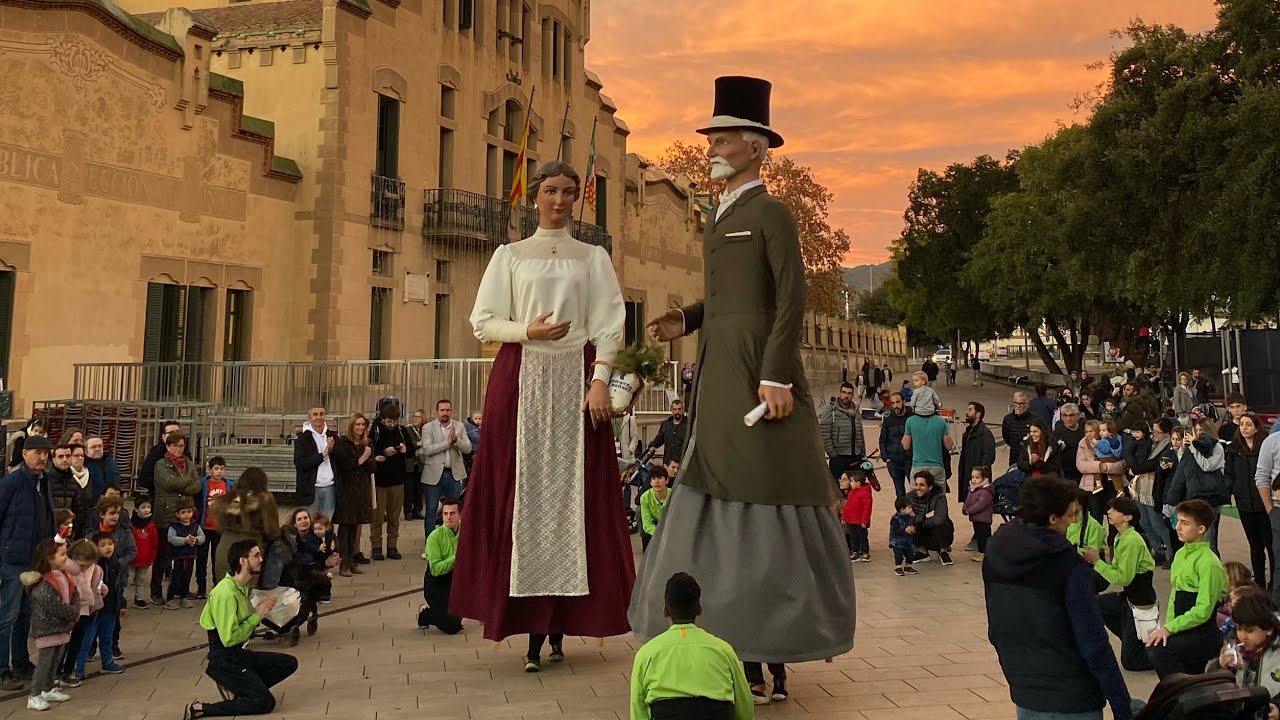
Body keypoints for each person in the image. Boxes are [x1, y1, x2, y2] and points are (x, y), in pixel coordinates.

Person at [630, 77, 854, 674]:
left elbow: (790, 297)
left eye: (724, 139)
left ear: (756, 148)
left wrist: (775, 374)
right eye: (712, 138)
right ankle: (722, 628)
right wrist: (687, 318)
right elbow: (729, 296)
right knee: (713, 468)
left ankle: (770, 638)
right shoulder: (718, 215)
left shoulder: (772, 212)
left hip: (755, 370)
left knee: (762, 476)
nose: (712, 148)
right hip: (717, 369)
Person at [454, 158, 635, 668]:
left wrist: (599, 381)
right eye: (552, 190)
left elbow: (610, 324)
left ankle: (564, 622)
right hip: (520, 377)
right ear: (535, 196)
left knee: (579, 496)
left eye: (569, 192)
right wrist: (526, 331)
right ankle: (528, 624)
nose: (560, 200)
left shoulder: (592, 257)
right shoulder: (510, 255)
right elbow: (483, 321)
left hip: (577, 378)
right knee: (518, 493)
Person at [984, 475, 1133, 720]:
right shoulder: (1067, 564)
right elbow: (1093, 642)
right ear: (1053, 518)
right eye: (1071, 514)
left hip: (1024, 688)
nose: (1074, 521)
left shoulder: (996, 551)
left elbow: (996, 624)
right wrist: (1122, 706)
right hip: (1072, 694)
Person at [184, 539, 299, 719]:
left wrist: (259, 610)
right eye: (256, 556)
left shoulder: (241, 587)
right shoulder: (226, 593)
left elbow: (240, 624)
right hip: (225, 661)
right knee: (265, 702)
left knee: (288, 663)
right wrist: (258, 615)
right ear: (243, 561)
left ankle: (245, 691)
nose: (261, 559)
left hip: (239, 654)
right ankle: (201, 709)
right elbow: (229, 638)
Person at [629, 573, 755, 720]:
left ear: (665, 611)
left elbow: (638, 709)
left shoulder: (646, 654)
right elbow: (744, 706)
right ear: (699, 609)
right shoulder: (723, 650)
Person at [1145, 499, 1228, 678]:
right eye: (1178, 521)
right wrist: (1168, 626)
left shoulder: (1209, 562)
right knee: (1163, 646)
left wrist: (1170, 628)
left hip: (1204, 632)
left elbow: (1204, 610)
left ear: (1201, 529)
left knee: (1158, 650)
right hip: (1184, 627)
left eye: (1185, 523)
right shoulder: (1180, 554)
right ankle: (1185, 689)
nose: (1177, 527)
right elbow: (1174, 595)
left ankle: (1179, 690)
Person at [0, 433, 55, 691]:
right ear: (24, 454)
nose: (42, 457)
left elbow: (47, 515)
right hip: (13, 559)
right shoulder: (11, 483)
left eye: (45, 453)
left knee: (24, 614)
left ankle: (21, 662)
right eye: (37, 453)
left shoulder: (44, 481)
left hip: (36, 559)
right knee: (7, 616)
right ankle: (2, 669)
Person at [1083, 496, 1157, 671]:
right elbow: (1117, 571)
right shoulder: (1120, 537)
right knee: (1096, 604)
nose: (1109, 512)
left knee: (1131, 663)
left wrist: (1097, 563)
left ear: (1128, 517)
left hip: (1139, 604)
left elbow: (1124, 578)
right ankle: (1130, 639)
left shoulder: (1132, 540)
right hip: (1127, 598)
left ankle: (1160, 656)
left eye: (1115, 510)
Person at [20, 539, 80, 711]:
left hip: (62, 626)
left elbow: (74, 594)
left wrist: (73, 609)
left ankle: (48, 689)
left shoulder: (63, 575)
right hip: (47, 628)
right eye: (62, 554)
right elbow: (52, 604)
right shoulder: (43, 582)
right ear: (49, 558)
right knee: (45, 662)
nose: (66, 557)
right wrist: (73, 613)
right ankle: (34, 695)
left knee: (55, 660)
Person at [1210, 587, 1280, 720]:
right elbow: (1211, 688)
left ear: (1269, 629)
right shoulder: (1232, 649)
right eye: (1239, 628)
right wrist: (1220, 667)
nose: (1242, 636)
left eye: (1249, 630)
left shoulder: (1277, 655)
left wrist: (1278, 708)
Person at [151, 431, 201, 605]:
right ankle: (156, 591)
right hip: (167, 513)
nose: (179, 449)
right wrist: (188, 480)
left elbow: (197, 485)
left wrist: (184, 484)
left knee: (185, 556)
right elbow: (169, 483)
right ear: (168, 446)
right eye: (175, 446)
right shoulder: (160, 465)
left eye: (181, 446)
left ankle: (182, 590)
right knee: (163, 555)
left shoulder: (189, 463)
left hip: (186, 515)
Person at [1228, 413, 1271, 590]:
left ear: (1256, 427)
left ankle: (1274, 582)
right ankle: (1259, 581)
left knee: (1271, 545)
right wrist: (1233, 489)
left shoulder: (1266, 447)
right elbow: (1229, 474)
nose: (1244, 428)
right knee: (1255, 545)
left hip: (1265, 503)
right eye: (1242, 424)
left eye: (1248, 424)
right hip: (1244, 504)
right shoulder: (1234, 449)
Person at [416, 399, 470, 541]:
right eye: (442, 410)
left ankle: (452, 542)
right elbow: (427, 449)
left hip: (454, 474)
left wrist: (456, 440)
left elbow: (468, 448)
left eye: (448, 410)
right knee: (431, 510)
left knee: (454, 511)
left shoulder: (459, 426)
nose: (445, 413)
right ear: (437, 412)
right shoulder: (428, 427)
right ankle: (430, 544)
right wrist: (448, 442)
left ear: (451, 411)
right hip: (434, 475)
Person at [331, 416, 375, 576]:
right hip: (346, 490)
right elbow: (345, 465)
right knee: (345, 528)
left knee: (355, 527)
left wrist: (367, 459)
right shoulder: (343, 443)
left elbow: (372, 468)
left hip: (361, 490)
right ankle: (343, 563)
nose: (360, 427)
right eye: (358, 424)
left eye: (363, 424)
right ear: (352, 426)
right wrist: (362, 459)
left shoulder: (367, 443)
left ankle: (351, 561)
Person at [370, 404, 411, 561]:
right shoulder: (376, 431)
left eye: (394, 421)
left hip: (398, 480)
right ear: (383, 419)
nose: (392, 424)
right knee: (377, 518)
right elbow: (370, 450)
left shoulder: (402, 431)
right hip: (380, 481)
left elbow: (412, 450)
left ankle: (392, 546)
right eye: (389, 421)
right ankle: (376, 547)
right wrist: (383, 452)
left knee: (394, 517)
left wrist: (405, 449)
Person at [421, 497, 463, 635]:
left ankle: (446, 613)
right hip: (436, 583)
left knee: (456, 619)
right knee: (452, 626)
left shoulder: (466, 533)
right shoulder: (434, 537)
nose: (449, 517)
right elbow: (435, 569)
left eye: (452, 513)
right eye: (445, 514)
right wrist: (456, 557)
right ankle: (425, 614)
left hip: (456, 580)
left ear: (460, 515)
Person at [196, 457, 233, 600]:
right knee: (201, 559)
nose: (219, 472)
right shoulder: (203, 484)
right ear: (210, 470)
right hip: (205, 527)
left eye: (222, 469)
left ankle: (217, 586)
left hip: (220, 529)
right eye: (216, 468)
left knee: (217, 559)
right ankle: (201, 588)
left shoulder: (229, 485)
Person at [294, 406, 339, 521]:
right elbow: (300, 464)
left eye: (321, 414)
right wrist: (322, 455)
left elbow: (340, 460)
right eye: (315, 414)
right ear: (309, 418)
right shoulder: (302, 439)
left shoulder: (333, 436)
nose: (319, 417)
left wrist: (333, 450)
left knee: (326, 524)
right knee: (310, 524)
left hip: (330, 487)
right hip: (311, 488)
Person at [819, 382, 865, 483]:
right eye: (844, 392)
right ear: (839, 393)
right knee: (838, 487)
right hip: (839, 457)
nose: (846, 396)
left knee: (855, 488)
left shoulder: (855, 410)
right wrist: (833, 454)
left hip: (855, 456)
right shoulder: (831, 410)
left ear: (852, 395)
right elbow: (824, 433)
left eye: (849, 393)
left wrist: (862, 453)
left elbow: (860, 433)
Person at [166, 498, 206, 609]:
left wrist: (196, 540)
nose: (186, 515)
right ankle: (170, 599)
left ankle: (183, 597)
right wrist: (184, 540)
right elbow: (171, 539)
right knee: (175, 578)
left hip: (190, 556)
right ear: (177, 514)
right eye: (183, 512)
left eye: (189, 512)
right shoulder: (174, 526)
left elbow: (202, 537)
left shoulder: (195, 526)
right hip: (177, 557)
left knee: (186, 578)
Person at [902, 400, 953, 488]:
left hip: (918, 465)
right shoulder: (941, 422)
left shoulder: (910, 421)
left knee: (916, 494)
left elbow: (906, 446)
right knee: (939, 495)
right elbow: (949, 446)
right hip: (937, 465)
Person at [908, 471, 954, 565]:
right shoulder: (910, 496)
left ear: (930, 487)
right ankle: (923, 553)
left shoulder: (940, 497)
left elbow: (939, 519)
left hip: (936, 533)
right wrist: (925, 516)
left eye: (922, 485)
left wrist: (919, 521)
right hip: (921, 531)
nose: (918, 488)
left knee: (944, 524)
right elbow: (907, 518)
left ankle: (943, 551)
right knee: (907, 525)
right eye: (916, 484)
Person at [958, 402, 995, 506]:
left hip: (978, 479)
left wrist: (979, 475)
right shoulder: (967, 433)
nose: (966, 412)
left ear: (978, 414)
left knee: (979, 508)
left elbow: (989, 456)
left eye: (970, 410)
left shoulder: (985, 433)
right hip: (968, 476)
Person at [879, 392, 913, 498]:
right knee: (899, 493)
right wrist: (886, 457)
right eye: (893, 403)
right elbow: (883, 439)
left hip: (909, 460)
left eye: (898, 402)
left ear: (904, 402)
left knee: (915, 491)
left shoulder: (912, 418)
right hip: (893, 461)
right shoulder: (888, 419)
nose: (895, 405)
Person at [138, 420, 183, 498]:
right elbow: (144, 478)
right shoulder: (156, 454)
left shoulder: (185, 453)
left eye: (177, 432)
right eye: (171, 433)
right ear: (163, 437)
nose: (175, 436)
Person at [128, 496, 158, 609]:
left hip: (145, 559)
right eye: (143, 507)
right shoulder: (131, 525)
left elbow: (154, 543)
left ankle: (139, 598)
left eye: (148, 507)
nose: (146, 510)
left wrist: (152, 558)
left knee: (141, 579)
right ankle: (122, 598)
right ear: (136, 509)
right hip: (132, 559)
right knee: (128, 579)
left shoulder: (151, 525)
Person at [962, 466, 994, 561]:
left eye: (977, 478)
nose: (974, 480)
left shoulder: (985, 491)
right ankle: (981, 551)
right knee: (979, 536)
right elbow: (968, 500)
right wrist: (965, 507)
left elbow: (980, 504)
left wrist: (969, 510)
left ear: (984, 478)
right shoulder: (973, 489)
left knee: (984, 537)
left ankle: (985, 552)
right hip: (976, 518)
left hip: (983, 519)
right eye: (972, 477)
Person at [841, 467, 873, 563]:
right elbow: (847, 507)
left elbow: (867, 509)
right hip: (851, 521)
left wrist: (864, 521)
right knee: (853, 537)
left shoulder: (865, 494)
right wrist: (844, 517)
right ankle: (855, 552)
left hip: (860, 522)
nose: (850, 483)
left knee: (862, 537)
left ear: (858, 483)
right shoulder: (851, 493)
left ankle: (865, 552)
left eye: (852, 481)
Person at [647, 400, 689, 467]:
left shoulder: (688, 425)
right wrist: (652, 445)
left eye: (679, 409)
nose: (677, 412)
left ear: (683, 410)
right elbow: (659, 439)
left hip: (682, 464)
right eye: (675, 409)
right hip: (668, 463)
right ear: (671, 410)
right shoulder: (665, 424)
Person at [640, 466, 671, 553]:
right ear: (650, 482)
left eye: (660, 478)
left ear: (666, 480)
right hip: (654, 526)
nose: (656, 481)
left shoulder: (674, 494)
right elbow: (647, 523)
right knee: (646, 536)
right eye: (653, 478)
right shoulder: (645, 497)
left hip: (670, 525)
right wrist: (658, 534)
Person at [1001, 393, 1034, 467]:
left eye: (1021, 403)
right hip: (1014, 457)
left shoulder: (1035, 419)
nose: (1018, 406)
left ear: (1027, 405)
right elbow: (1006, 436)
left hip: (1030, 457)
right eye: (1016, 403)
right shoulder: (1008, 419)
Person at [890, 497, 918, 577]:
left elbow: (914, 524)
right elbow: (895, 530)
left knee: (910, 554)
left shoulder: (910, 517)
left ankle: (908, 566)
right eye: (909, 507)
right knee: (898, 555)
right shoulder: (895, 519)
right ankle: (898, 567)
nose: (911, 509)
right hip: (897, 542)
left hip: (908, 541)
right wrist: (904, 530)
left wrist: (914, 529)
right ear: (902, 509)